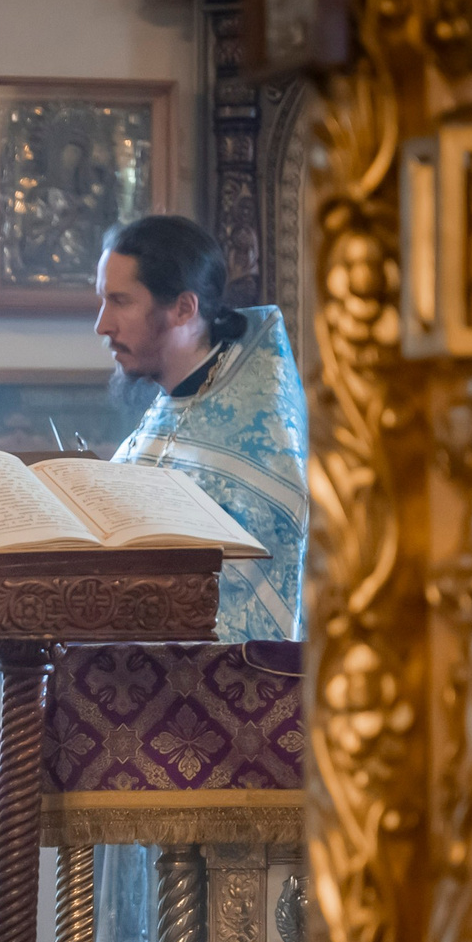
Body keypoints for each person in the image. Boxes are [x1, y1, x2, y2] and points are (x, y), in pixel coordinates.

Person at [94, 213, 310, 641]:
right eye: (102, 300)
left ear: (183, 308)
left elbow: (253, 578)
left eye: (120, 302)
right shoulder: (172, 404)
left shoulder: (260, 432)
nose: (102, 325)